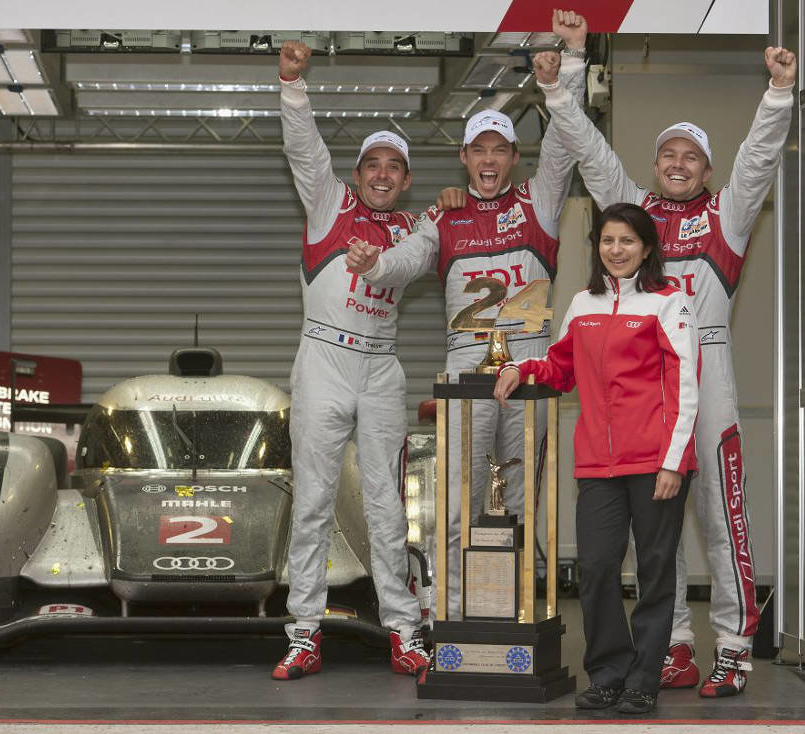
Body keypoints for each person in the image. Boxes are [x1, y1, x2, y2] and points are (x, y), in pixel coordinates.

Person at [534, 45, 796, 697]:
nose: (678, 164)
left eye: (692, 157)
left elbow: (760, 159)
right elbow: (593, 158)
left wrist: (779, 95)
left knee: (719, 509)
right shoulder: (635, 214)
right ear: (655, 165)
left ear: (707, 168)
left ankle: (733, 645)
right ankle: (675, 643)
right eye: (668, 154)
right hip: (642, 376)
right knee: (659, 520)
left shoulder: (725, 216)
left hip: (707, 367)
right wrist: (560, 96)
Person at [345, 9, 589, 621]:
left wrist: (573, 65)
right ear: (462, 156)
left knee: (523, 503)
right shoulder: (443, 216)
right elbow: (404, 262)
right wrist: (374, 264)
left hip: (530, 363)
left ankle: (514, 612)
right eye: (478, 148)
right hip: (466, 368)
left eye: (500, 149)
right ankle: (448, 613)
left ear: (513, 157)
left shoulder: (540, 199)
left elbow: (565, 137)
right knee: (459, 502)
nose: (489, 158)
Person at [495, 202, 700, 714]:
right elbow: (561, 365)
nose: (616, 250)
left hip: (656, 461)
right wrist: (523, 367)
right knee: (597, 568)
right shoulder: (583, 303)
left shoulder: (669, 303)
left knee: (654, 572)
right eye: (608, 241)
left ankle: (643, 679)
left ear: (647, 248)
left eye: (628, 241)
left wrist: (673, 461)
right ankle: (608, 671)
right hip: (597, 464)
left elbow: (685, 387)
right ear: (598, 247)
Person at [274, 40, 431, 680]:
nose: (383, 174)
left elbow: (411, 263)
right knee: (312, 501)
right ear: (358, 170)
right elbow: (303, 146)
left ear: (407, 177)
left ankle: (403, 628)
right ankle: (304, 633)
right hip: (323, 360)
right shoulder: (327, 203)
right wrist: (292, 86)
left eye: (395, 165)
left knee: (387, 504)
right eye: (373, 164)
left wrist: (379, 262)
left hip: (380, 367)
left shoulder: (419, 227)